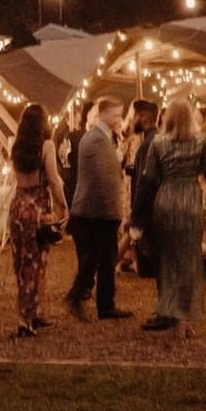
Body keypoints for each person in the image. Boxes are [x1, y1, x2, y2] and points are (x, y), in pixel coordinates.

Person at [132, 98, 206, 337]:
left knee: (168, 261)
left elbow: (149, 179)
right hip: (190, 203)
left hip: (166, 202)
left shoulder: (159, 143)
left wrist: (136, 217)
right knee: (189, 260)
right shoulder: (201, 142)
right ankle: (184, 319)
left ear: (167, 118)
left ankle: (171, 313)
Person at [64, 97, 132, 323]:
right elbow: (105, 179)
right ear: (103, 114)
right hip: (98, 210)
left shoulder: (98, 138)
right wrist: (116, 211)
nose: (119, 119)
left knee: (95, 258)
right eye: (116, 115)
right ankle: (97, 302)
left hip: (94, 209)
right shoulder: (97, 140)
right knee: (102, 258)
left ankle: (94, 300)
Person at [8, 103, 67, 338]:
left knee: (21, 264)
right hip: (37, 208)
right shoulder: (47, 146)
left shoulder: (17, 147)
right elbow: (53, 179)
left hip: (18, 207)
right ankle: (27, 320)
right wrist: (64, 205)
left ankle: (33, 312)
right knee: (36, 263)